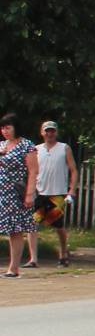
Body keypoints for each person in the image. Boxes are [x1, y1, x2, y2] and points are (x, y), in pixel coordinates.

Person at [33, 120, 75, 265]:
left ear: (56, 132)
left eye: (52, 131)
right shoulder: (36, 149)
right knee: (33, 224)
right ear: (42, 132)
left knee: (58, 225)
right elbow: (32, 170)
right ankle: (33, 258)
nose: (49, 134)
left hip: (57, 193)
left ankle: (63, 253)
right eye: (47, 131)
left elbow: (73, 170)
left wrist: (71, 190)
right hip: (40, 192)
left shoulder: (64, 148)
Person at [0, 115, 35, 278]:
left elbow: (33, 171)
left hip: (16, 192)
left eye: (8, 127)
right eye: (2, 128)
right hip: (2, 192)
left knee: (15, 230)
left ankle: (13, 268)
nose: (4, 131)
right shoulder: (2, 145)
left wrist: (30, 194)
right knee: (6, 229)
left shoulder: (27, 145)